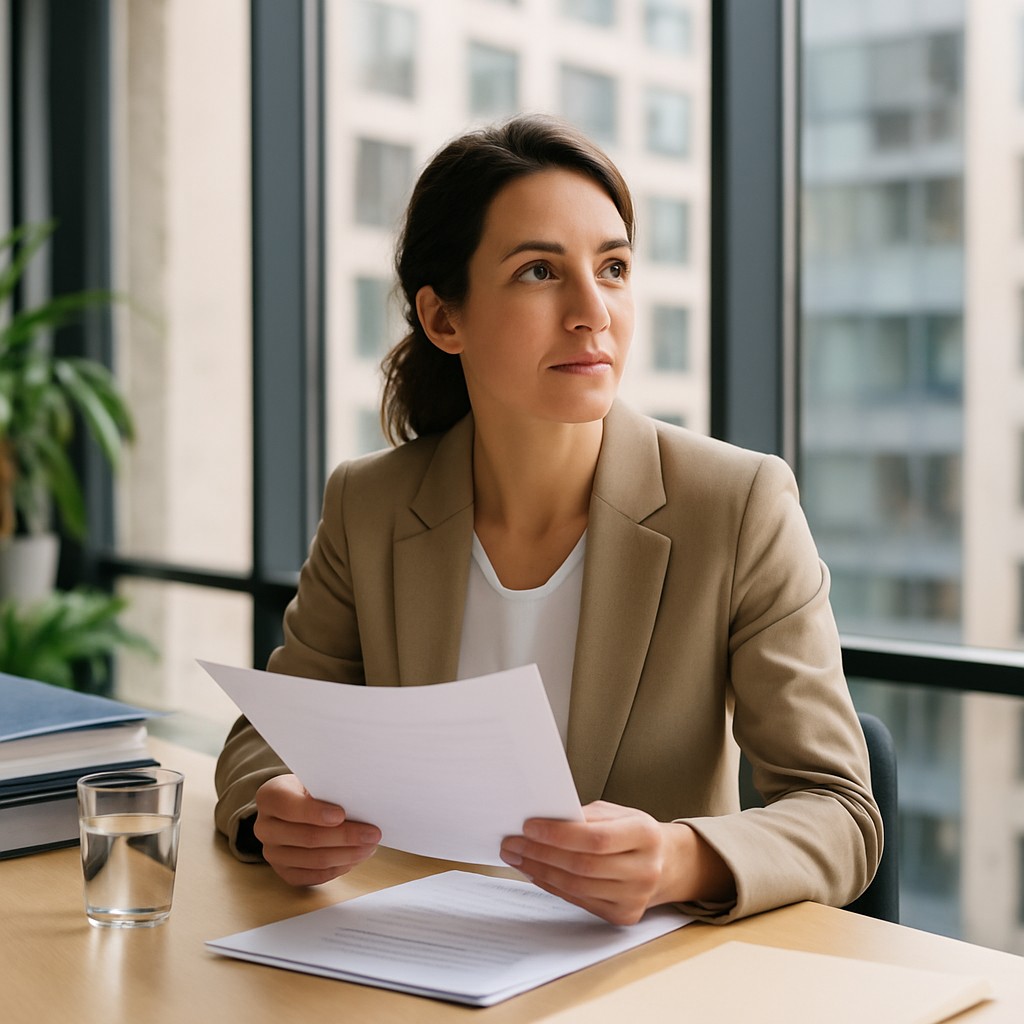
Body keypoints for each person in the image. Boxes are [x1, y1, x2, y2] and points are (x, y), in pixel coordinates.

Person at [215, 113, 882, 927]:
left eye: (613, 268)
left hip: (640, 982)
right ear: (443, 319)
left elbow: (839, 811)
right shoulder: (371, 504)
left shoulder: (739, 505)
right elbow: (268, 731)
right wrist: (271, 810)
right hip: (408, 958)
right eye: (539, 271)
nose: (591, 310)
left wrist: (680, 858)